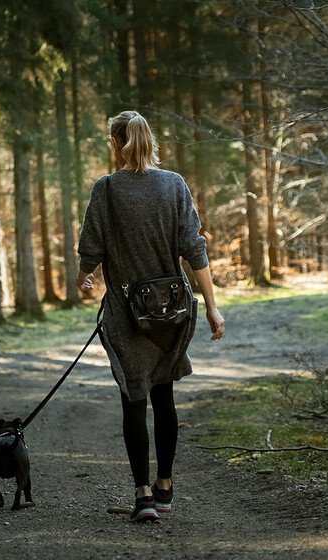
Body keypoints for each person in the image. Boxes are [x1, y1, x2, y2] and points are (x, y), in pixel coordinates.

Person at [76, 110, 225, 522]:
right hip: (172, 310)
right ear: (149, 141)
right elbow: (194, 248)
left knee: (133, 399)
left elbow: (91, 248)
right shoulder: (174, 184)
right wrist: (212, 306)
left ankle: (142, 495)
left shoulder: (106, 189)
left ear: (115, 143)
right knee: (164, 396)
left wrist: (83, 277)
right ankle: (164, 485)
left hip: (127, 312)